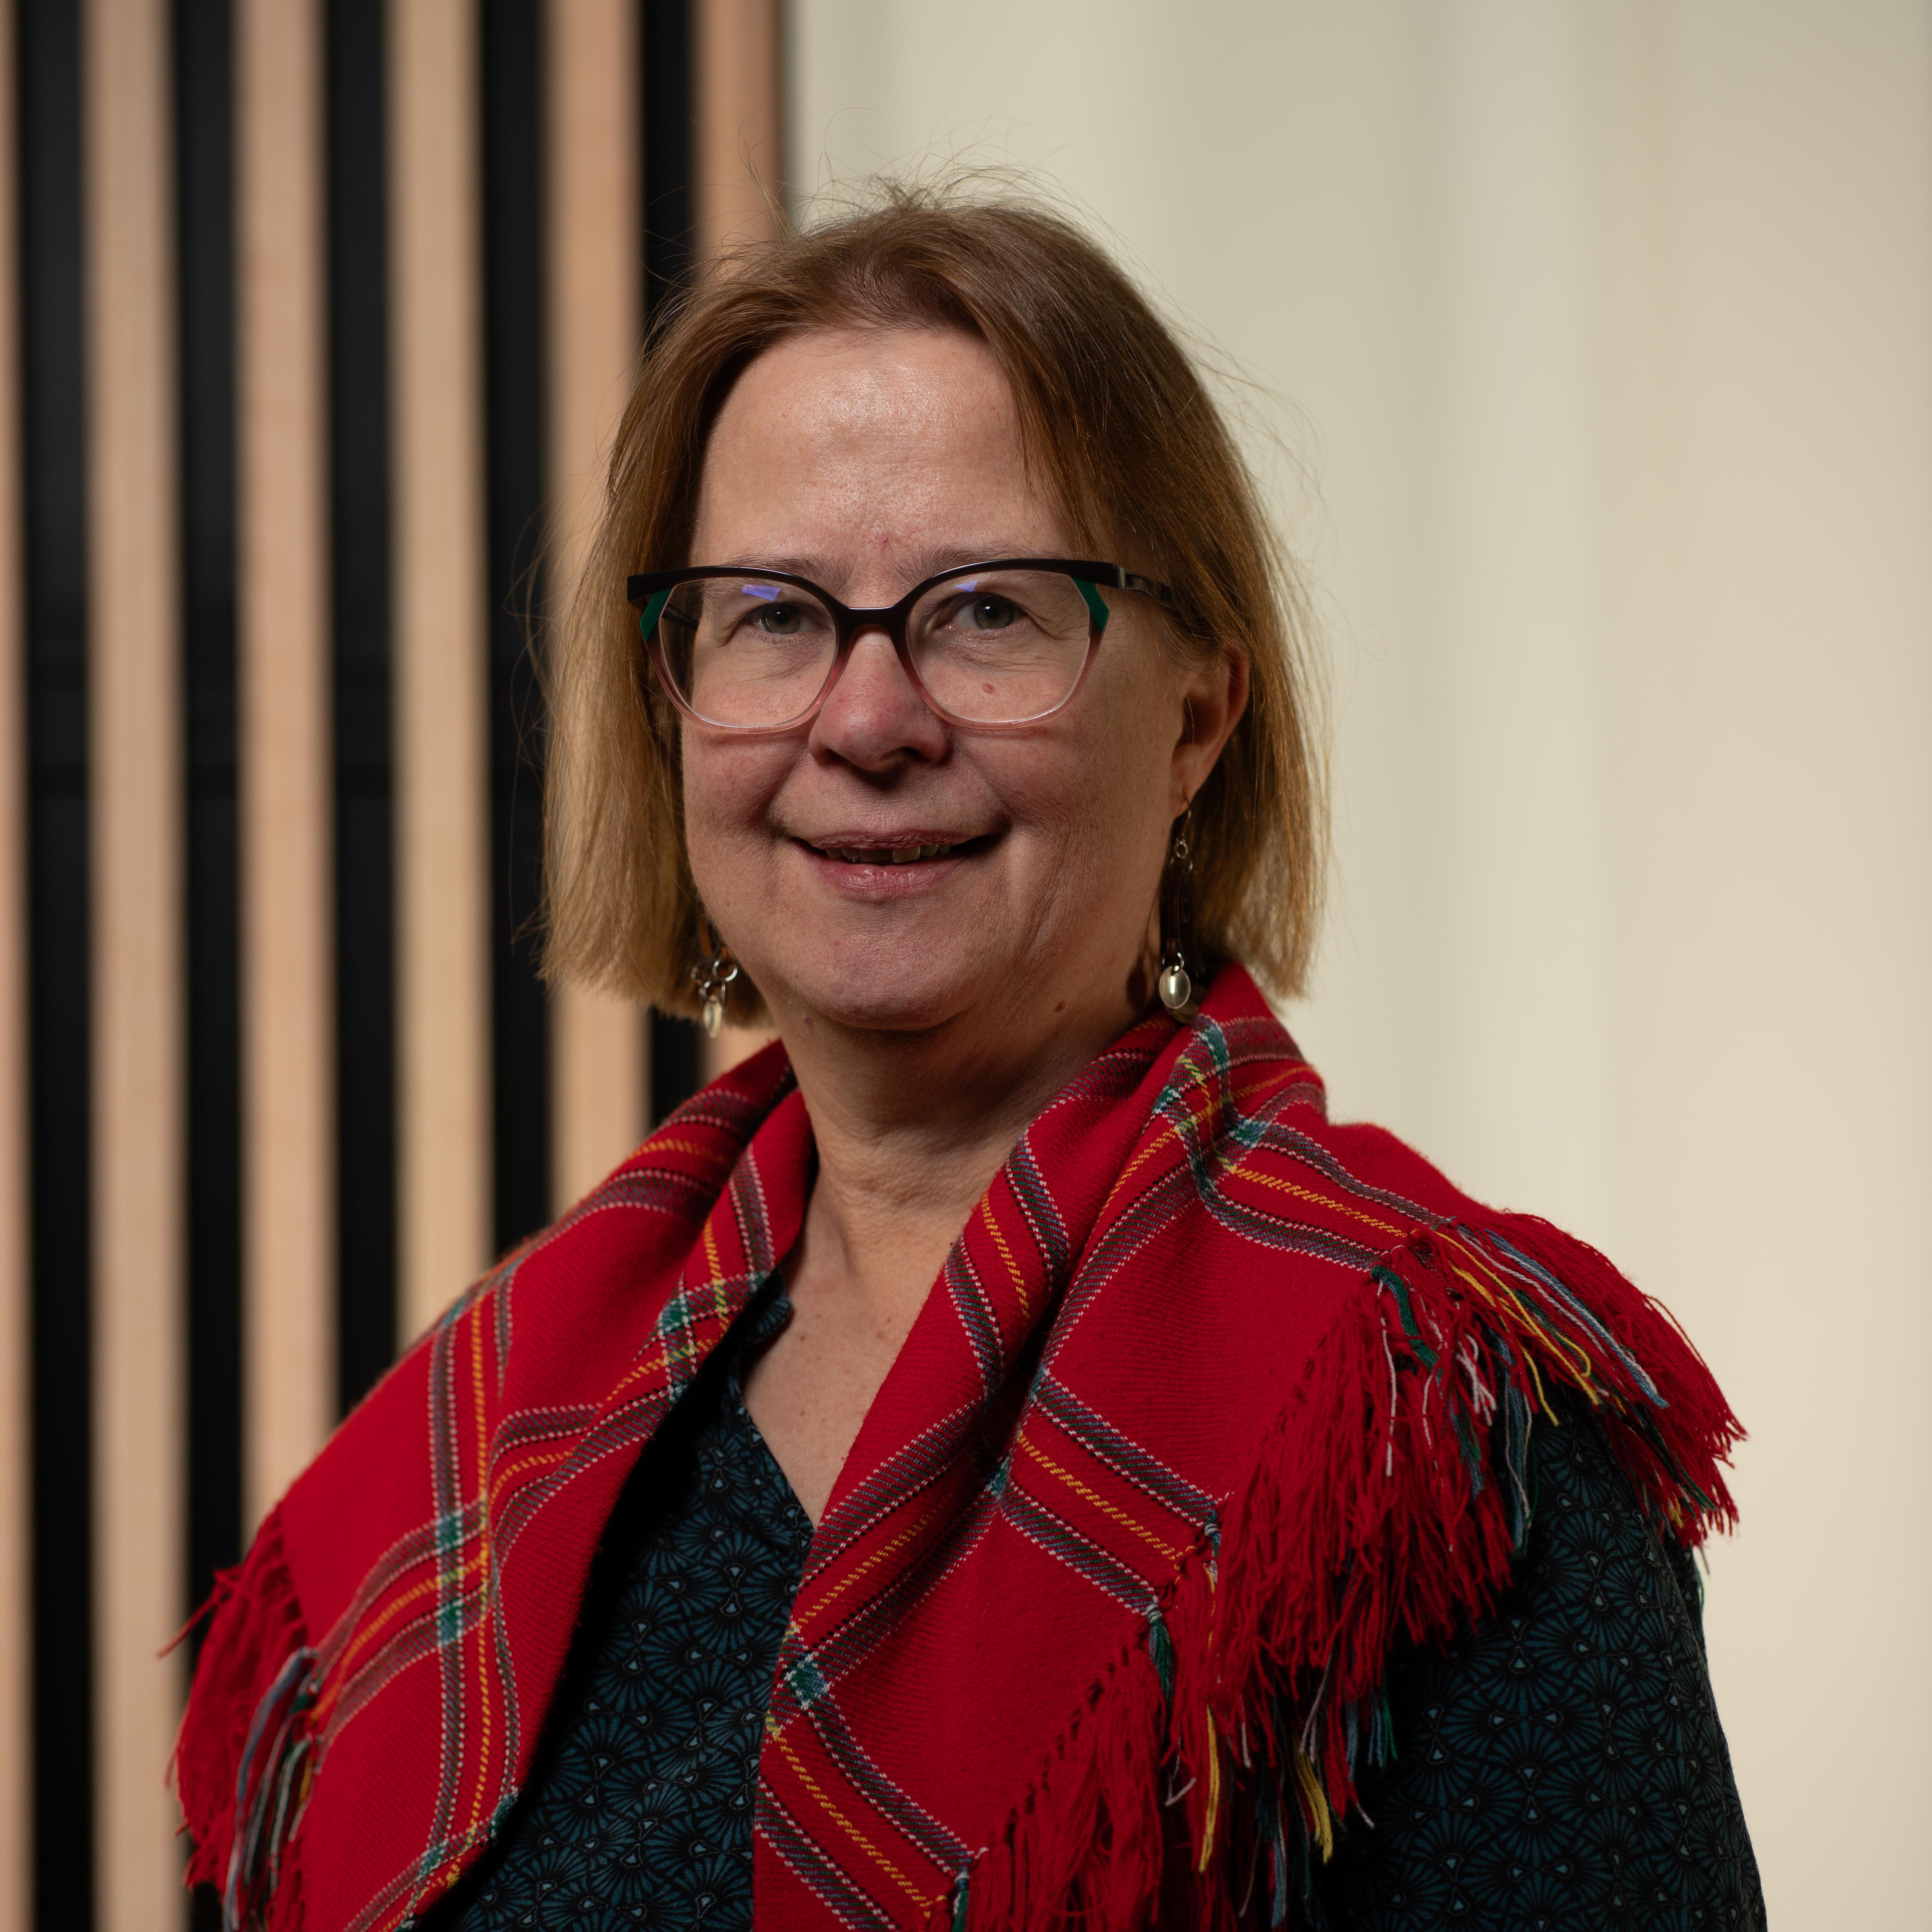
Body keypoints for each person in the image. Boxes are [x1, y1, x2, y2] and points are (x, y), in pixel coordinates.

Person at [177, 187, 1763, 1932]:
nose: (866, 720)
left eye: (989, 610)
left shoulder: (1437, 1441)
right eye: (772, 613)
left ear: (1197, 716)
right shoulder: (493, 1437)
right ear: (672, 700)